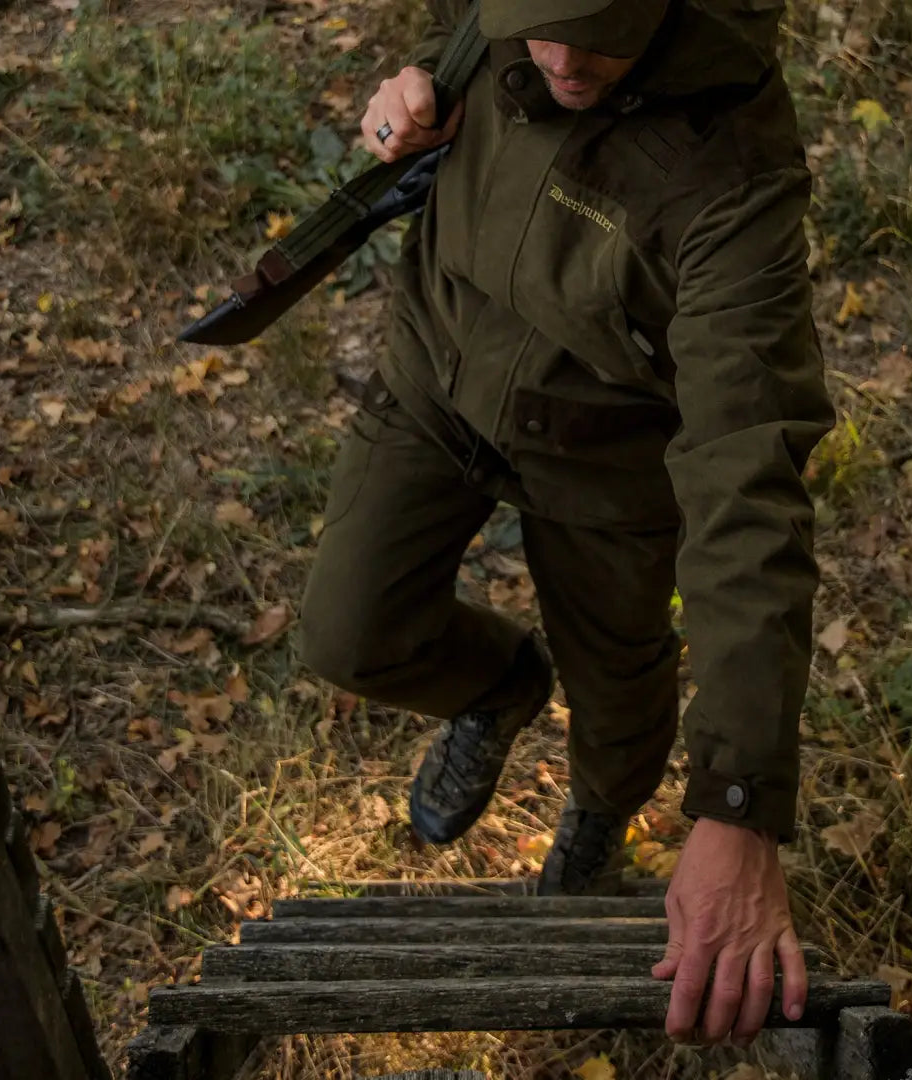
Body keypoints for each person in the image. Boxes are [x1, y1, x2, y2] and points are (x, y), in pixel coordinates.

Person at [300, 0, 834, 1047]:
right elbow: (462, 60)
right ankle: (499, 690)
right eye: (532, 26)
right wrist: (412, 89)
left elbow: (747, 477)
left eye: (594, 32)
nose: (556, 61)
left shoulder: (737, 172)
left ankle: (596, 819)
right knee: (347, 634)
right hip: (438, 373)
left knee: (622, 697)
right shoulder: (518, 27)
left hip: (607, 460)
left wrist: (737, 803)